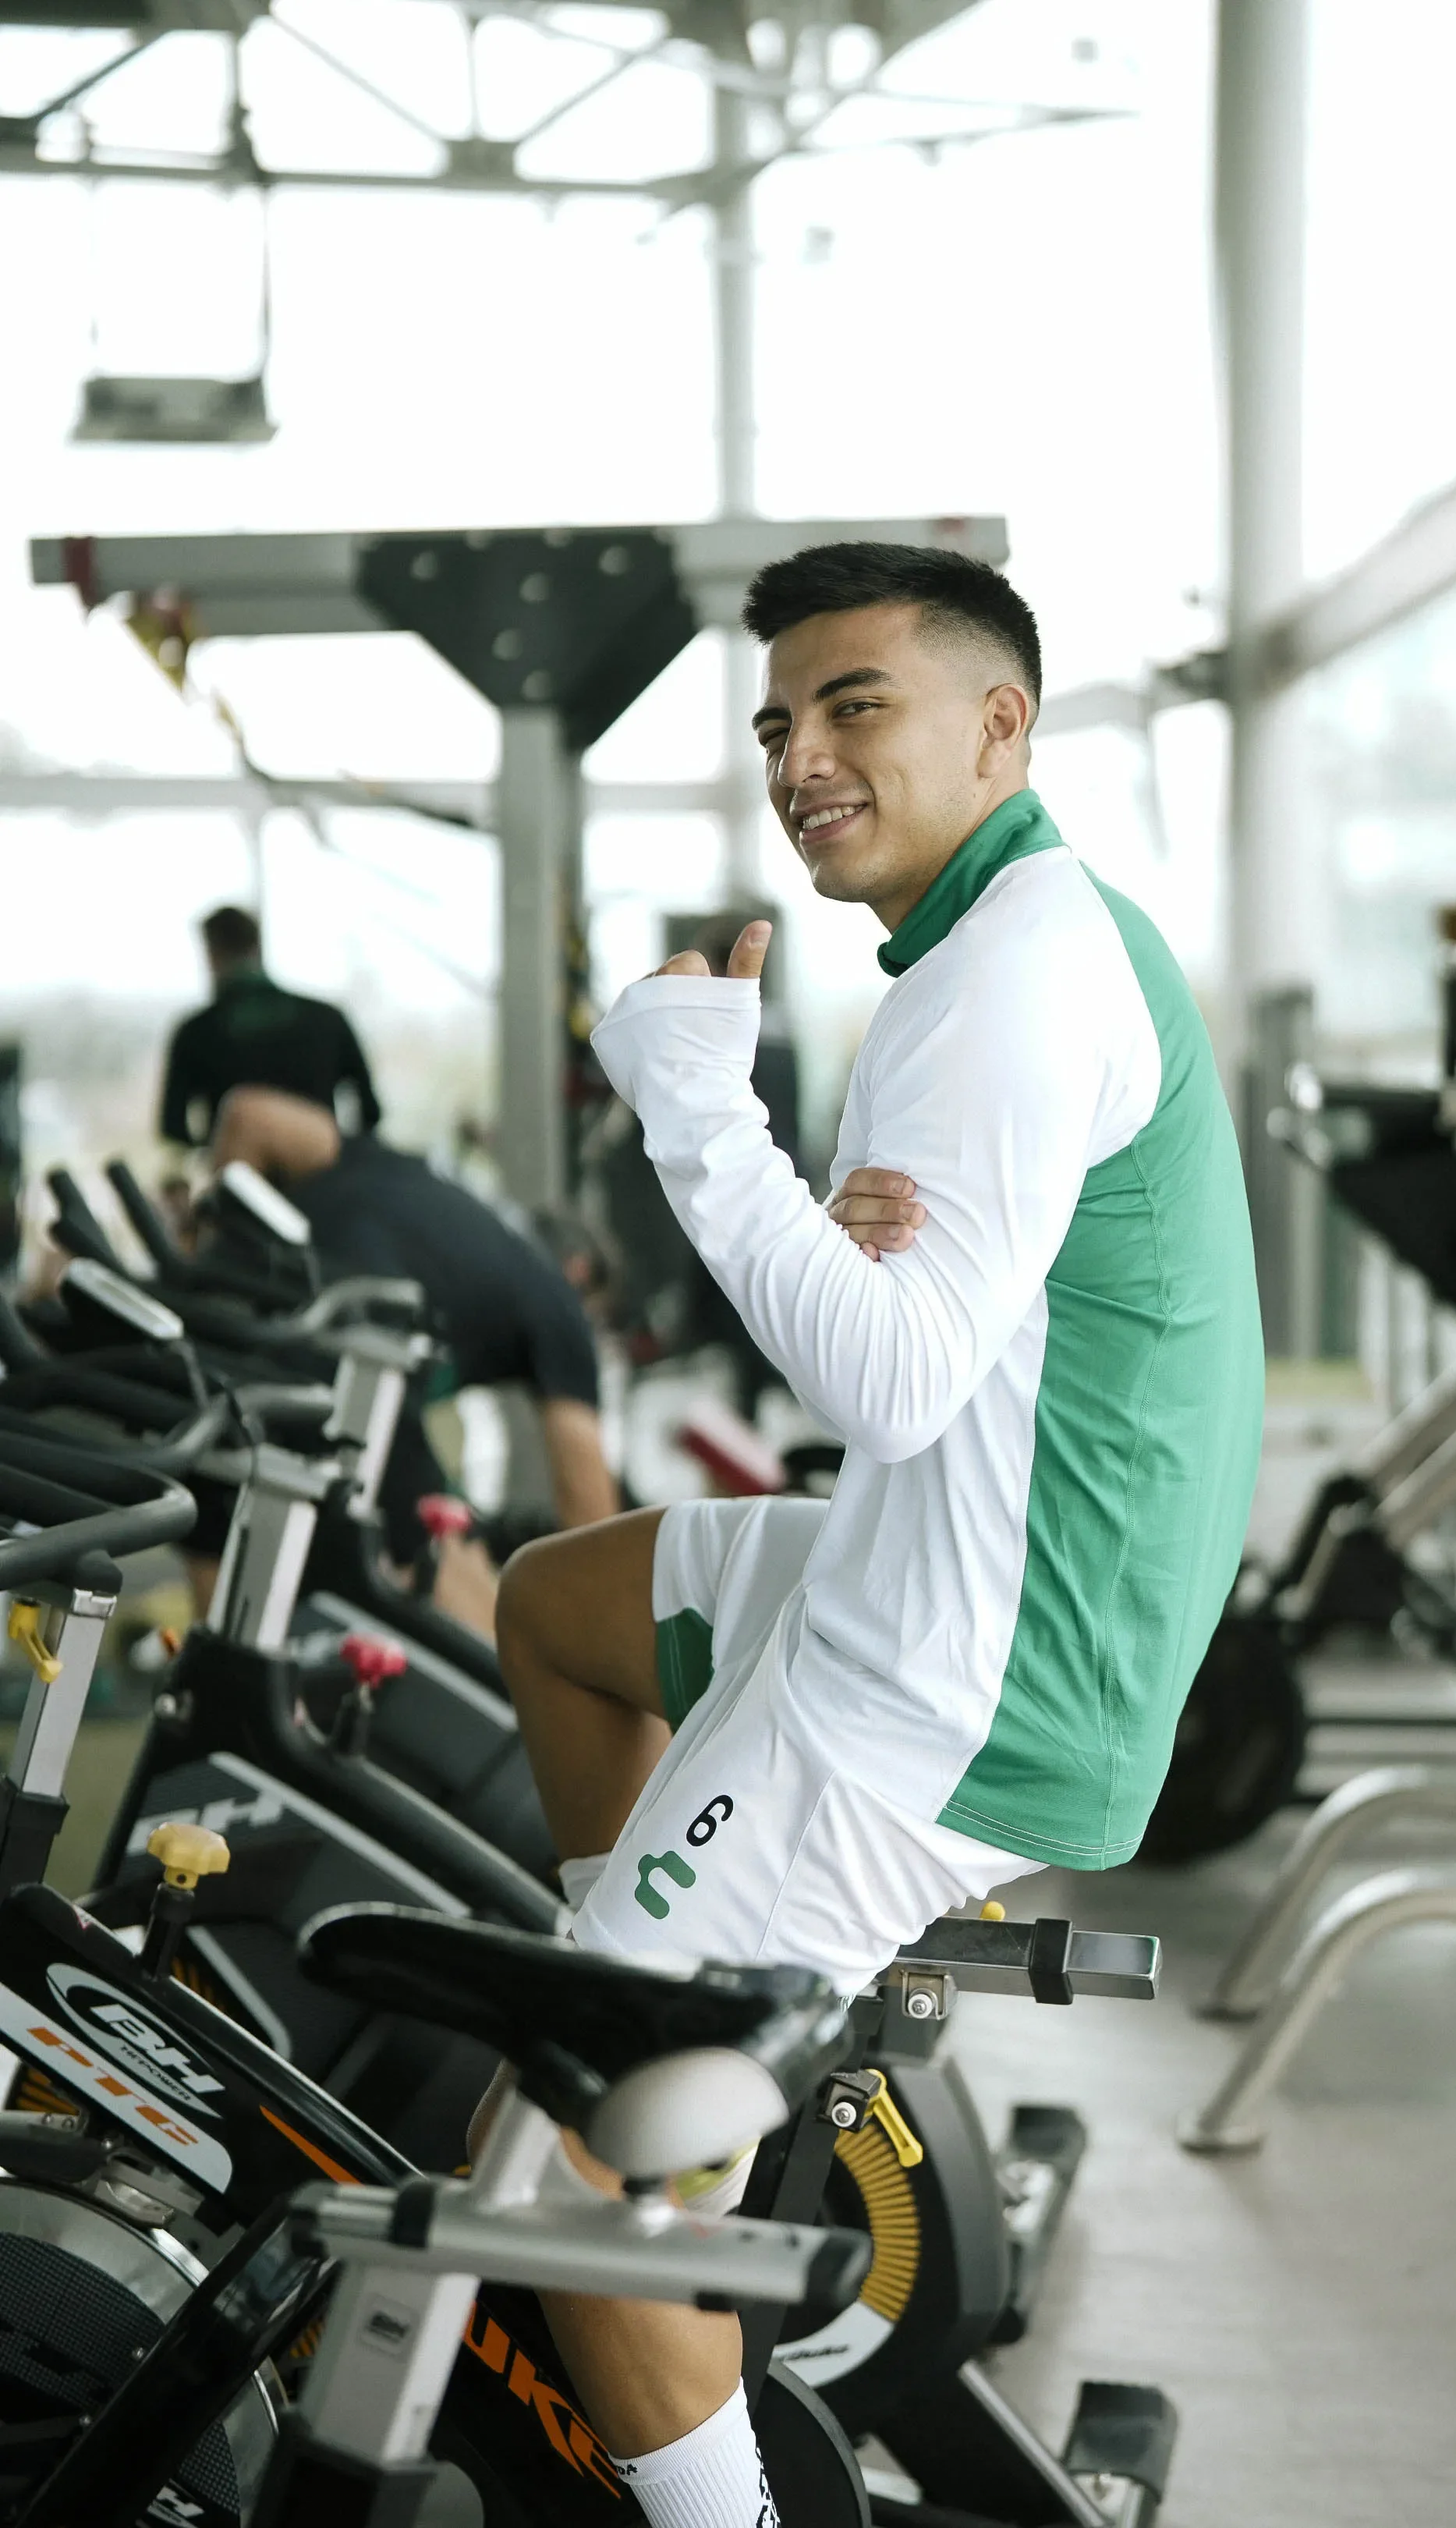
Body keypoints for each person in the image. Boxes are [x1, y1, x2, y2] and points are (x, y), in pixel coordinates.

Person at [484, 541, 1266, 2528]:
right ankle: (692, 2017)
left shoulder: (1005, 979)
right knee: (561, 1609)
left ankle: (656, 2151)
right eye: (776, 725)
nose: (800, 759)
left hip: (960, 1677)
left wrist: (698, 1116)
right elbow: (919, 1339)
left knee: (559, 2177)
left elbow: (891, 1378)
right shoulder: (1014, 937)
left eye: (854, 708)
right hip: (932, 1577)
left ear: (998, 726)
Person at [211, 1087, 620, 1552]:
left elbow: (251, 1116)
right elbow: (595, 1531)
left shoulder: (420, 1178)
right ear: (579, 1270)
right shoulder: (560, 1299)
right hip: (341, 1370)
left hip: (208, 1353)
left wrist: (205, 1244)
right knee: (446, 1557)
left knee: (219, 1552)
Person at [160, 906, 382, 1150]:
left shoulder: (197, 1032)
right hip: (320, 1165)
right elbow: (370, 1111)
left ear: (212, 954)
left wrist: (213, 1153)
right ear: (257, 947)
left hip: (238, 1168)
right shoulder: (328, 1018)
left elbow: (173, 1128)